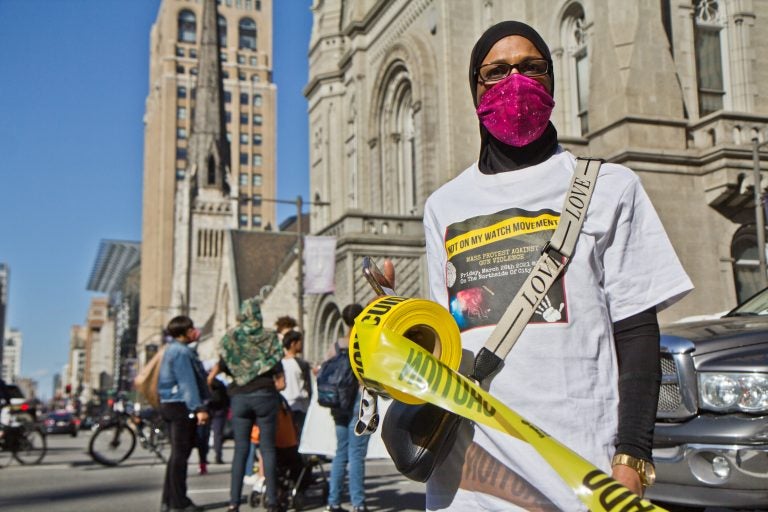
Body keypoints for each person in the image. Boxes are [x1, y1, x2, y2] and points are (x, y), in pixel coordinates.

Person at [380, 21, 694, 511]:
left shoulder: (610, 186)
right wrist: (396, 326)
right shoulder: (445, 204)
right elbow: (452, 341)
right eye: (497, 72)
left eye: (531, 68)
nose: (516, 81)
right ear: (474, 89)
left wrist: (632, 457)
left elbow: (637, 334)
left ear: (551, 80)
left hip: (581, 470)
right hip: (472, 480)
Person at [217, 298, 286, 512]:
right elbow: (279, 372)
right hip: (265, 395)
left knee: (240, 450)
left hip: (240, 397)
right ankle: (272, 501)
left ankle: (233, 502)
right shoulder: (270, 337)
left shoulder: (231, 338)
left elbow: (225, 367)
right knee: (268, 449)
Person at [157, 316, 210, 512]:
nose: (194, 331)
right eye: (191, 329)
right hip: (180, 405)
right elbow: (187, 383)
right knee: (181, 454)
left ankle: (169, 499)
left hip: (170, 404)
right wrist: (199, 408)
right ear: (183, 332)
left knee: (176, 455)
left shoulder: (171, 350)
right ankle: (180, 502)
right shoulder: (181, 352)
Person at [325, 304, 370, 512]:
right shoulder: (364, 342)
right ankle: (358, 504)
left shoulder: (335, 346)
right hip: (358, 401)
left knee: (340, 451)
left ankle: (333, 501)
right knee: (357, 453)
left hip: (337, 403)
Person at [280, 330, 311, 437]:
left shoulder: (279, 363)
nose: (301, 345)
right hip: (300, 405)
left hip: (284, 404)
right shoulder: (301, 364)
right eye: (300, 342)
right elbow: (308, 385)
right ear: (293, 344)